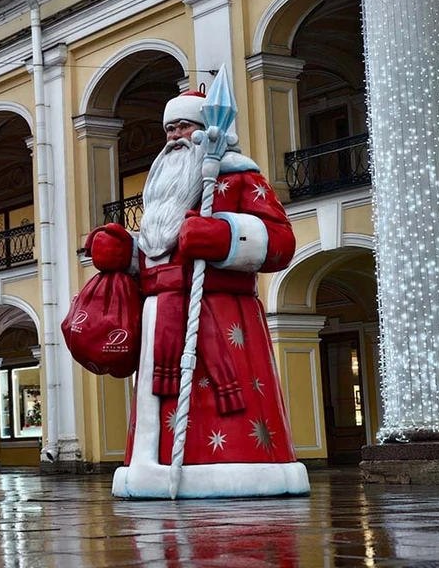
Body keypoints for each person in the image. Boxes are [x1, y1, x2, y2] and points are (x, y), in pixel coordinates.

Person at [94, 90, 308, 499]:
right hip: (162, 314)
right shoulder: (160, 190)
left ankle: (240, 469)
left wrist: (226, 235)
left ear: (210, 131)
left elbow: (281, 241)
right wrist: (127, 254)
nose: (175, 136)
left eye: (185, 126)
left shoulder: (240, 177)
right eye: (169, 128)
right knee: (159, 403)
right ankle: (151, 470)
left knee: (231, 407)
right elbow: (159, 254)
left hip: (222, 314)